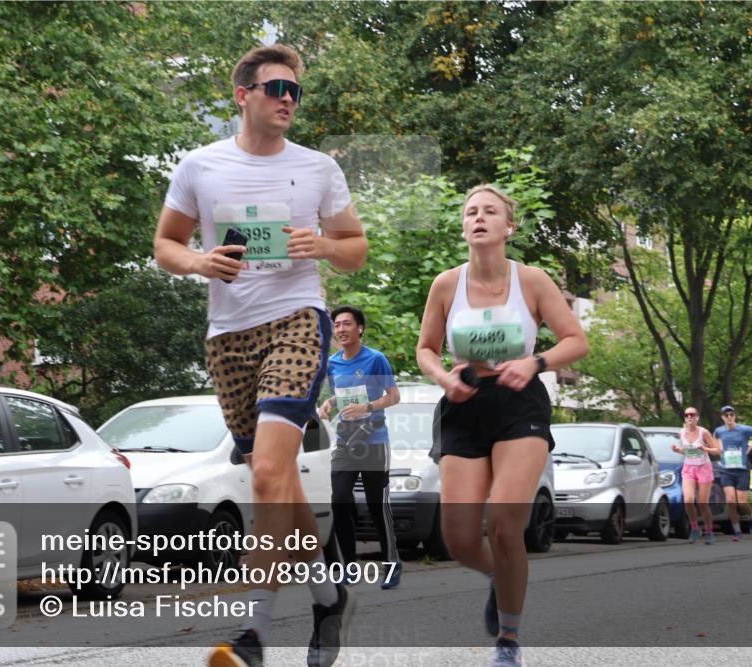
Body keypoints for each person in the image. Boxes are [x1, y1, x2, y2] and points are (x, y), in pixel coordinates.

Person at [153, 44, 367, 667]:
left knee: (270, 476)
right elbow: (166, 244)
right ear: (243, 94)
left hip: (298, 321)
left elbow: (355, 248)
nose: (288, 100)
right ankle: (328, 597)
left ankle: (252, 633)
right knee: (278, 484)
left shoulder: (318, 168)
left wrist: (322, 246)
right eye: (277, 88)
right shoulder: (200, 166)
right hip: (228, 338)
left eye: (295, 91)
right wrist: (200, 261)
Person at [416, 184, 588, 667]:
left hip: (519, 402)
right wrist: (443, 377)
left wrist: (536, 362)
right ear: (464, 226)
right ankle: (499, 574)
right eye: (471, 211)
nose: (479, 217)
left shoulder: (532, 280)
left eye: (490, 211)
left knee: (505, 523)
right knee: (459, 538)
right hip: (463, 402)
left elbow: (576, 341)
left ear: (508, 226)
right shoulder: (446, 285)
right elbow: (426, 348)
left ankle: (508, 642)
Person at [318, 305, 402, 588]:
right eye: (337, 325)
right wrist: (328, 403)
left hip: (374, 440)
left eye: (347, 324)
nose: (341, 329)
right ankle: (348, 567)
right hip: (345, 442)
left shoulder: (375, 359)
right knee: (340, 500)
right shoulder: (333, 363)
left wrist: (367, 407)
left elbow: (394, 396)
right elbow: (341, 397)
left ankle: (392, 563)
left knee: (377, 505)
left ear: (360, 328)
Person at [670, 408, 721, 545]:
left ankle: (709, 531)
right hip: (689, 468)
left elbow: (717, 450)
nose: (689, 417)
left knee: (703, 503)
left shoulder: (704, 432)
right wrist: (678, 450)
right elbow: (687, 451)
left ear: (697, 417)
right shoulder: (681, 433)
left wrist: (705, 449)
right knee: (688, 500)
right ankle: (694, 528)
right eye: (686, 415)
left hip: (704, 467)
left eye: (692, 414)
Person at [713, 406, 752, 541]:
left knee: (742, 502)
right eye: (726, 415)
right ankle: (737, 531)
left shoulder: (744, 429)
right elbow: (716, 445)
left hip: (742, 471)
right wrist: (717, 450)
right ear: (722, 417)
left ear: (735, 416)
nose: (729, 417)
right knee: (730, 501)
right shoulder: (719, 431)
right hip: (726, 471)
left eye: (731, 414)